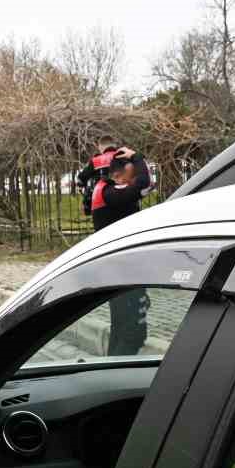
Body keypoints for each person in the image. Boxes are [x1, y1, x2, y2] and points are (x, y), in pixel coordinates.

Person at [90, 147, 153, 355]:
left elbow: (143, 185)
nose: (133, 179)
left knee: (120, 328)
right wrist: (137, 157)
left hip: (119, 270)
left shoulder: (106, 190)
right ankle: (116, 369)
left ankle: (111, 367)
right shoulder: (110, 193)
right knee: (132, 333)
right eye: (130, 175)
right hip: (123, 271)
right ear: (117, 175)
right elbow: (145, 183)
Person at [76, 137, 120, 218]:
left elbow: (81, 178)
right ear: (115, 145)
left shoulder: (96, 160)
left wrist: (81, 187)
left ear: (100, 147)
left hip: (102, 203)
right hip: (126, 198)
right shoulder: (125, 156)